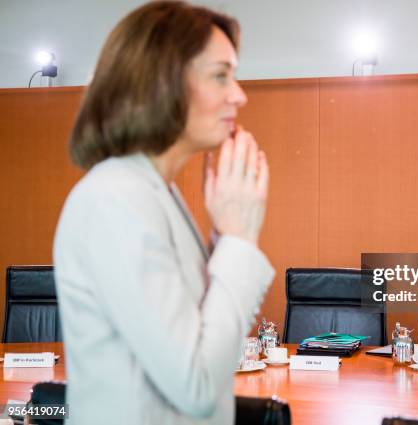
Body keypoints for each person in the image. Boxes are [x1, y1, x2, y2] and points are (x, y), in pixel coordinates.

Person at [53, 2, 274, 424]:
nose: (239, 95)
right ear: (162, 83)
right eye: (220, 75)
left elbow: (194, 330)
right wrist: (239, 240)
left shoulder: (153, 193)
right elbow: (197, 386)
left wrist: (224, 238)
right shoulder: (114, 199)